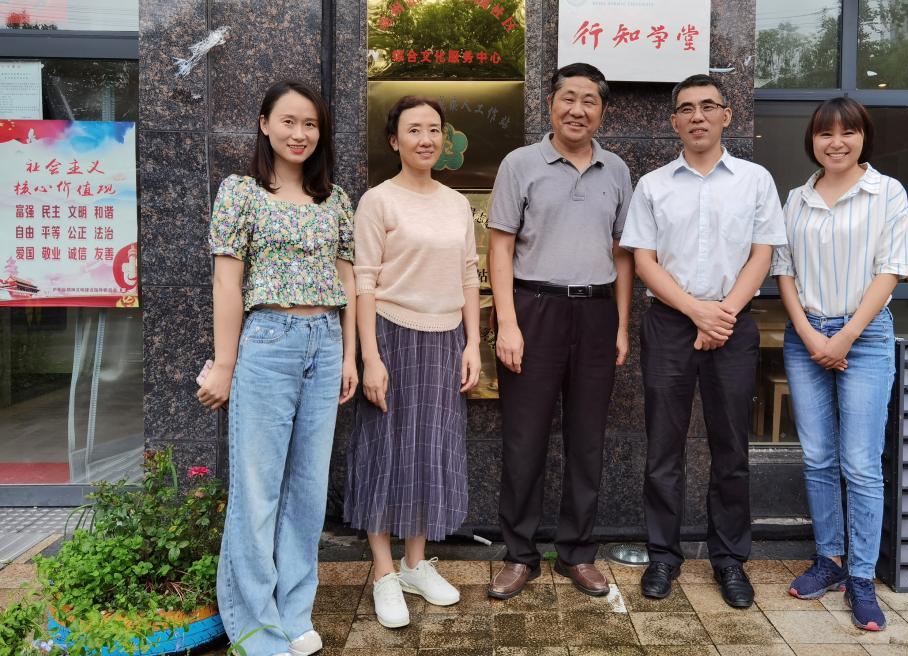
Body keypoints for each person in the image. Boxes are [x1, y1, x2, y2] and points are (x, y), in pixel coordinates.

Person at [198, 79, 358, 656]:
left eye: (310, 124)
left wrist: (350, 356)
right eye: (288, 121)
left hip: (325, 342)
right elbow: (227, 281)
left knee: (308, 490)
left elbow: (347, 279)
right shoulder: (240, 192)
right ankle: (253, 627)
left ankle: (294, 613)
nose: (299, 133)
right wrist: (225, 362)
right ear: (265, 124)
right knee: (257, 489)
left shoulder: (335, 199)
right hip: (267, 342)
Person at [620, 74, 786, 607]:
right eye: (687, 108)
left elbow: (763, 253)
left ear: (726, 115)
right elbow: (643, 260)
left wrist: (723, 315)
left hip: (732, 323)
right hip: (670, 323)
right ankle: (662, 557)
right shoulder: (653, 185)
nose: (698, 116)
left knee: (731, 448)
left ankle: (730, 560)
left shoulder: (755, 180)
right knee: (663, 449)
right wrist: (696, 312)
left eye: (708, 106)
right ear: (674, 121)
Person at [486, 63, 634, 600]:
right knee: (524, 440)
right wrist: (507, 323)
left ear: (602, 111)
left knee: (587, 440)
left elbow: (622, 252)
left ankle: (577, 551)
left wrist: (621, 324)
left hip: (596, 313)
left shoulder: (616, 170)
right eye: (568, 98)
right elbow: (500, 246)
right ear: (549, 104)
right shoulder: (520, 164)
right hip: (534, 309)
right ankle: (519, 554)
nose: (578, 109)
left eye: (589, 100)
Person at [773, 98, 908, 631]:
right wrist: (810, 334)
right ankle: (829, 559)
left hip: (865, 337)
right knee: (818, 458)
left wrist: (846, 336)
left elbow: (890, 269)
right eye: (825, 133)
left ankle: (861, 576)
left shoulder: (887, 192)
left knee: (860, 462)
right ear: (812, 140)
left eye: (847, 132)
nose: (836, 142)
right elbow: (783, 269)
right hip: (806, 334)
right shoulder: (797, 198)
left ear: (863, 137)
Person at [345, 96, 481, 629]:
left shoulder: (456, 203)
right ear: (394, 140)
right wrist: (370, 357)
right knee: (385, 450)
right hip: (391, 335)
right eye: (414, 130)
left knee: (430, 450)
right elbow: (364, 281)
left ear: (444, 138)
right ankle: (383, 571)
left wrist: (473, 343)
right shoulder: (378, 201)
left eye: (434, 129)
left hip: (446, 338)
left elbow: (469, 275)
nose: (426, 139)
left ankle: (415, 564)